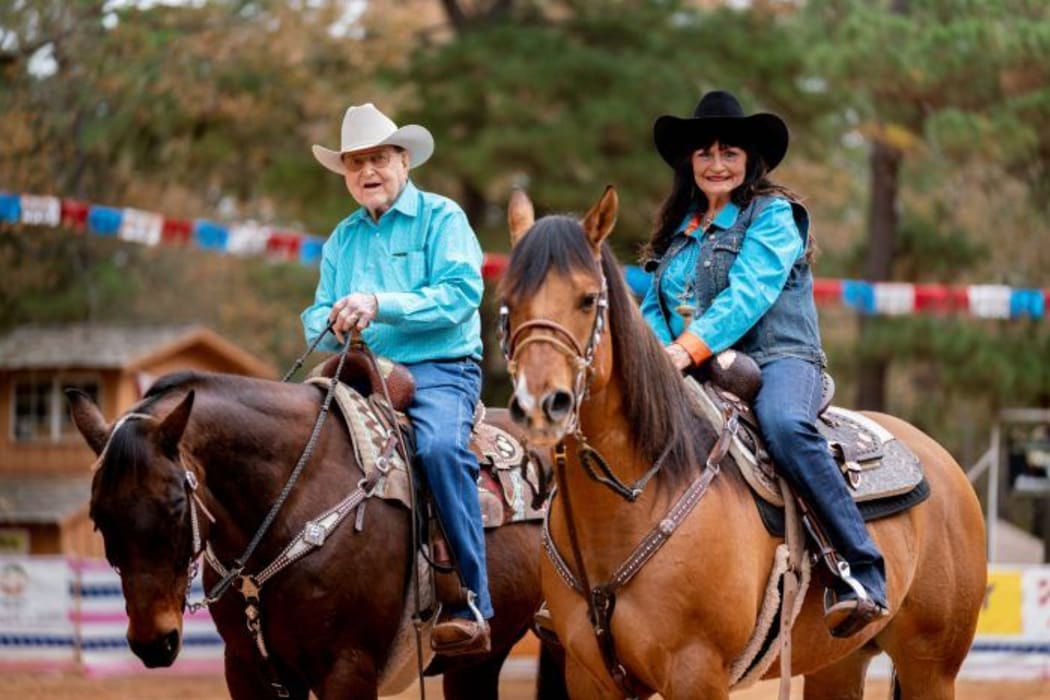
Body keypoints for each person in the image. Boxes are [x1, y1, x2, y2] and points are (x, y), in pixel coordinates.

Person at [641, 90, 889, 635]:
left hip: (781, 358)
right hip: (695, 363)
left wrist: (684, 351)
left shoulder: (774, 215)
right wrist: (658, 355)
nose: (716, 164)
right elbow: (653, 305)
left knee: (783, 425)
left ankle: (861, 570)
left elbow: (749, 294)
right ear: (690, 162)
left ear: (751, 160)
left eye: (729, 152)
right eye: (704, 153)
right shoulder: (678, 234)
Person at [301, 103, 492, 654]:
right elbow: (315, 314)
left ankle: (472, 600)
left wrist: (378, 304)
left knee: (437, 450)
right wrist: (333, 320)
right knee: (301, 446)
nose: (367, 172)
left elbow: (460, 297)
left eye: (378, 159)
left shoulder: (443, 218)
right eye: (356, 163)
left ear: (403, 160)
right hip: (360, 370)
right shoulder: (342, 239)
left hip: (440, 369)